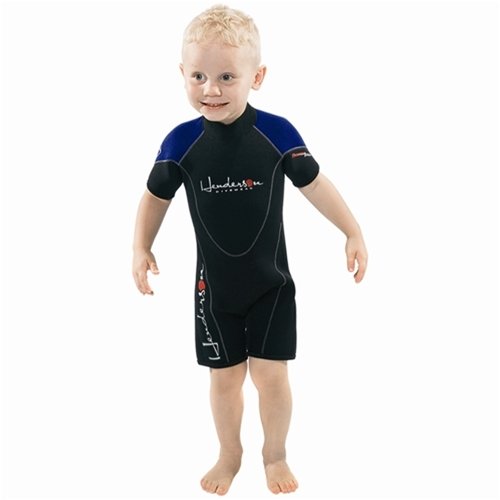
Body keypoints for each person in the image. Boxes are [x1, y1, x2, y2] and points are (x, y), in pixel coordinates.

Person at [132, 4, 367, 495]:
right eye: (198, 76)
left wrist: (352, 231)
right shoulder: (180, 143)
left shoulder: (276, 134)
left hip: (271, 287)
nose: (211, 89)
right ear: (182, 73)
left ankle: (275, 454)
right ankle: (229, 453)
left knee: (270, 376)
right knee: (224, 380)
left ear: (256, 77)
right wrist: (141, 247)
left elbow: (315, 185)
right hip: (213, 292)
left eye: (226, 77)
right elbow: (154, 198)